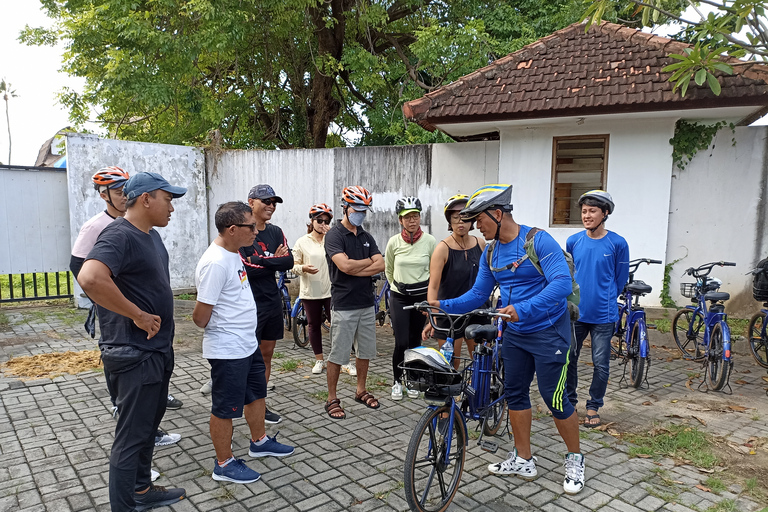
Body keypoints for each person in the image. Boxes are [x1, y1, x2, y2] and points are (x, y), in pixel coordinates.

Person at [428, 184, 586, 495]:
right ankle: (524, 458)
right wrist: (439, 305)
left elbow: (562, 284)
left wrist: (523, 308)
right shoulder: (491, 251)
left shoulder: (537, 240)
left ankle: (575, 459)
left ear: (498, 214)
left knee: (555, 399)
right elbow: (477, 295)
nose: (476, 226)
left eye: (480, 220)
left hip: (550, 332)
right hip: (515, 334)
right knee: (515, 395)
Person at [77, 172, 188, 511]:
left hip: (155, 351)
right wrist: (137, 315)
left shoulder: (151, 236)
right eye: (167, 199)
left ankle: (141, 490)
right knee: (130, 439)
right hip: (134, 353)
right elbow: (90, 277)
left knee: (146, 430)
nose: (172, 207)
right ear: (146, 199)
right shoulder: (119, 234)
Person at [193, 201, 294, 485]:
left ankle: (259, 441)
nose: (256, 232)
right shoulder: (214, 263)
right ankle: (223, 463)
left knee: (256, 393)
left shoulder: (233, 253)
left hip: (246, 344)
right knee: (225, 407)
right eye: (251, 227)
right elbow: (200, 317)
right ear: (233, 229)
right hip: (228, 350)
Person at [565, 190, 629, 428]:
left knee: (601, 363)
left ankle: (593, 406)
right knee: (569, 357)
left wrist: (606, 296)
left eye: (592, 211)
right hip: (576, 313)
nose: (587, 216)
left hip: (604, 315)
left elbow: (620, 279)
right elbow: (569, 274)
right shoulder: (573, 242)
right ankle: (570, 402)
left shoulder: (618, 243)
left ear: (605, 213)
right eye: (584, 211)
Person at [323, 185, 385, 419]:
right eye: (357, 208)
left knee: (365, 351)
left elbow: (381, 264)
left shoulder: (367, 236)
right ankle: (331, 398)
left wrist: (355, 266)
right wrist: (365, 264)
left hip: (366, 303)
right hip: (344, 303)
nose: (361, 213)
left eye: (364, 210)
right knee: (338, 354)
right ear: (346, 207)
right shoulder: (334, 235)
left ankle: (360, 390)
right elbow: (344, 266)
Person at [239, 184, 294, 424]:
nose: (271, 206)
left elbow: (289, 261)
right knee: (245, 356)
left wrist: (262, 260)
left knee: (266, 355)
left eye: (274, 202)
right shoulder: (242, 231)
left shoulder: (276, 231)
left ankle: (260, 403)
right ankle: (241, 400)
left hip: (272, 300)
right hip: (248, 301)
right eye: (266, 201)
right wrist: (273, 259)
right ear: (251, 202)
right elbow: (245, 266)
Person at [424, 194, 487, 369]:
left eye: (465, 218)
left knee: (481, 361)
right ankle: (453, 396)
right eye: (455, 218)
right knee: (452, 363)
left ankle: (477, 394)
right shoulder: (442, 249)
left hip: (477, 310)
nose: (461, 222)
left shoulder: (481, 244)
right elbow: (434, 285)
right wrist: (434, 316)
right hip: (450, 313)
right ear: (449, 221)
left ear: (472, 220)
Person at [385, 196, 436, 400]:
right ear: (400, 220)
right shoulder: (393, 242)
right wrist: (397, 287)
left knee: (415, 342)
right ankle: (397, 381)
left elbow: (435, 270)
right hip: (399, 297)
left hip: (421, 298)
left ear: (420, 217)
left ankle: (413, 380)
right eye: (407, 217)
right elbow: (389, 269)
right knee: (401, 342)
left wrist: (430, 299)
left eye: (415, 216)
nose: (412, 220)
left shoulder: (430, 241)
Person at [292, 203, 333, 374]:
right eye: (319, 220)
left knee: (339, 325)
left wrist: (332, 236)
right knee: (314, 325)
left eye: (326, 220)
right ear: (312, 221)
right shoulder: (302, 242)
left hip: (332, 290)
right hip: (311, 290)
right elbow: (293, 265)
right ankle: (319, 360)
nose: (323, 224)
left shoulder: (333, 239)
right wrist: (303, 269)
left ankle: (343, 359)